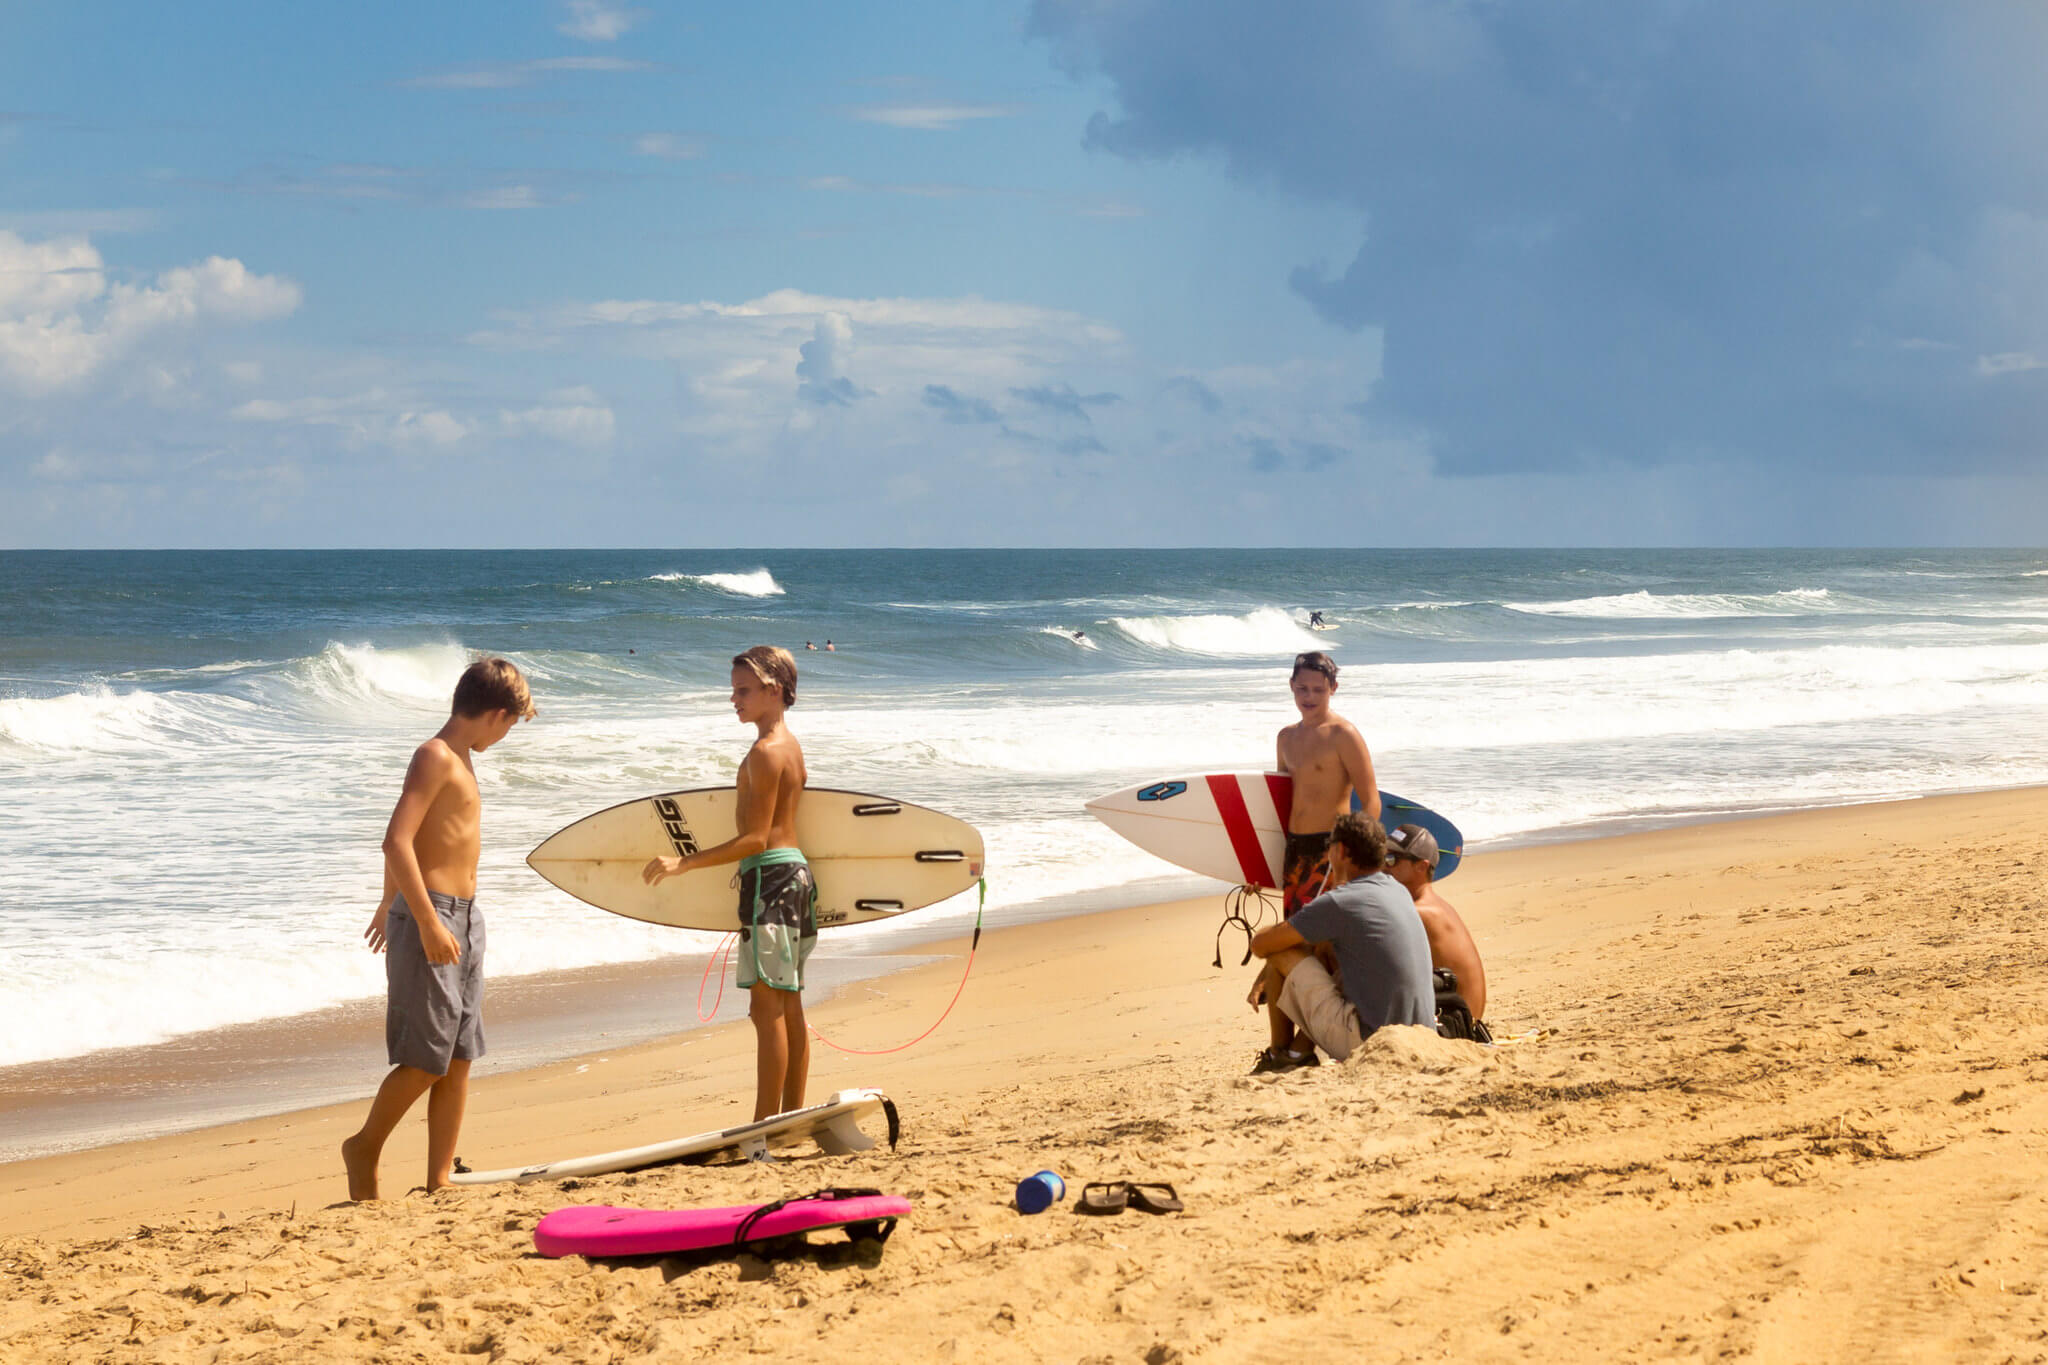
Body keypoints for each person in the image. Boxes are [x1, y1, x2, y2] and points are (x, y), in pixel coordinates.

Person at [343, 657, 535, 1200]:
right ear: (496, 714)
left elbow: (418, 835)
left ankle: (439, 1177)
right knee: (426, 1057)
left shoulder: (460, 758)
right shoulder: (435, 756)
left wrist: (391, 899)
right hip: (436, 916)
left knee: (459, 1055)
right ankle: (364, 1147)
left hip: (465, 918)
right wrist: (419, 916)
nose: (505, 737)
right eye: (511, 725)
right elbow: (396, 839)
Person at [644, 646, 813, 1125]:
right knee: (789, 1001)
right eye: (734, 688)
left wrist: (685, 863)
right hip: (797, 876)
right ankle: (792, 1118)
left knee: (767, 1010)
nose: (733, 698)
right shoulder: (791, 745)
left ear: (773, 690)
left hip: (771, 880)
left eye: (743, 690)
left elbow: (756, 837)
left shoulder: (763, 753)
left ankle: (764, 1126)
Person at [1245, 814, 1434, 1071]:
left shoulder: (1340, 902)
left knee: (1281, 953)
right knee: (1331, 949)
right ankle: (1297, 1050)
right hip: (1420, 1036)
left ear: (1340, 850)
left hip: (1375, 1043)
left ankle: (1283, 1055)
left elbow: (1261, 945)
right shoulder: (1396, 889)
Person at [1275, 651, 1380, 917]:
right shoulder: (1286, 738)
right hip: (1294, 847)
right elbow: (1279, 801)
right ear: (1291, 686)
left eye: (1318, 690)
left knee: (1326, 937)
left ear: (1333, 688)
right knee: (1295, 930)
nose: (1308, 697)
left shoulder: (1342, 734)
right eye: (1302, 689)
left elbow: (1370, 801)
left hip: (1331, 848)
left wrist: (1353, 859)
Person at [1384, 824, 1487, 1023]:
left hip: (1452, 1026)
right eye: (1383, 857)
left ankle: (1304, 1051)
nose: (1383, 867)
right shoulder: (1435, 906)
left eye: (1392, 859)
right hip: (1460, 1020)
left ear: (1421, 867)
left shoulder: (1420, 913)